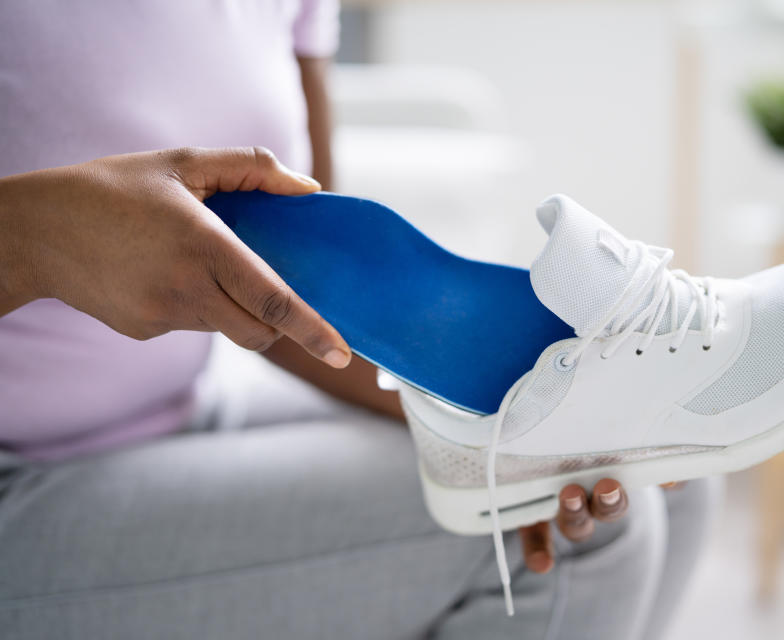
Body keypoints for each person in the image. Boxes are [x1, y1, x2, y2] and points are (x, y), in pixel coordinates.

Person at [0, 1, 719, 638]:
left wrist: (511, 423)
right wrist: (38, 235)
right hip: (21, 474)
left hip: (181, 407)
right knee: (559, 534)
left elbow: (305, 296)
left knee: (652, 464)